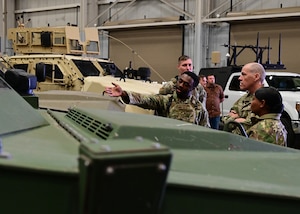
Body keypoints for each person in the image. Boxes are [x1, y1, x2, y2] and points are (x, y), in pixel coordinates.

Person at [105, 71, 210, 127]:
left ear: (192, 88)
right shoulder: (166, 101)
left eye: (186, 84)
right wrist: (123, 93)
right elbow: (145, 99)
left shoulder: (199, 109)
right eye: (180, 81)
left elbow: (206, 132)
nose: (181, 85)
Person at [222, 62, 266, 133]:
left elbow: (257, 127)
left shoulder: (266, 99)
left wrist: (236, 118)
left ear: (256, 77)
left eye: (244, 74)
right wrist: (237, 120)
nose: (239, 78)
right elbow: (227, 123)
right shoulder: (243, 99)